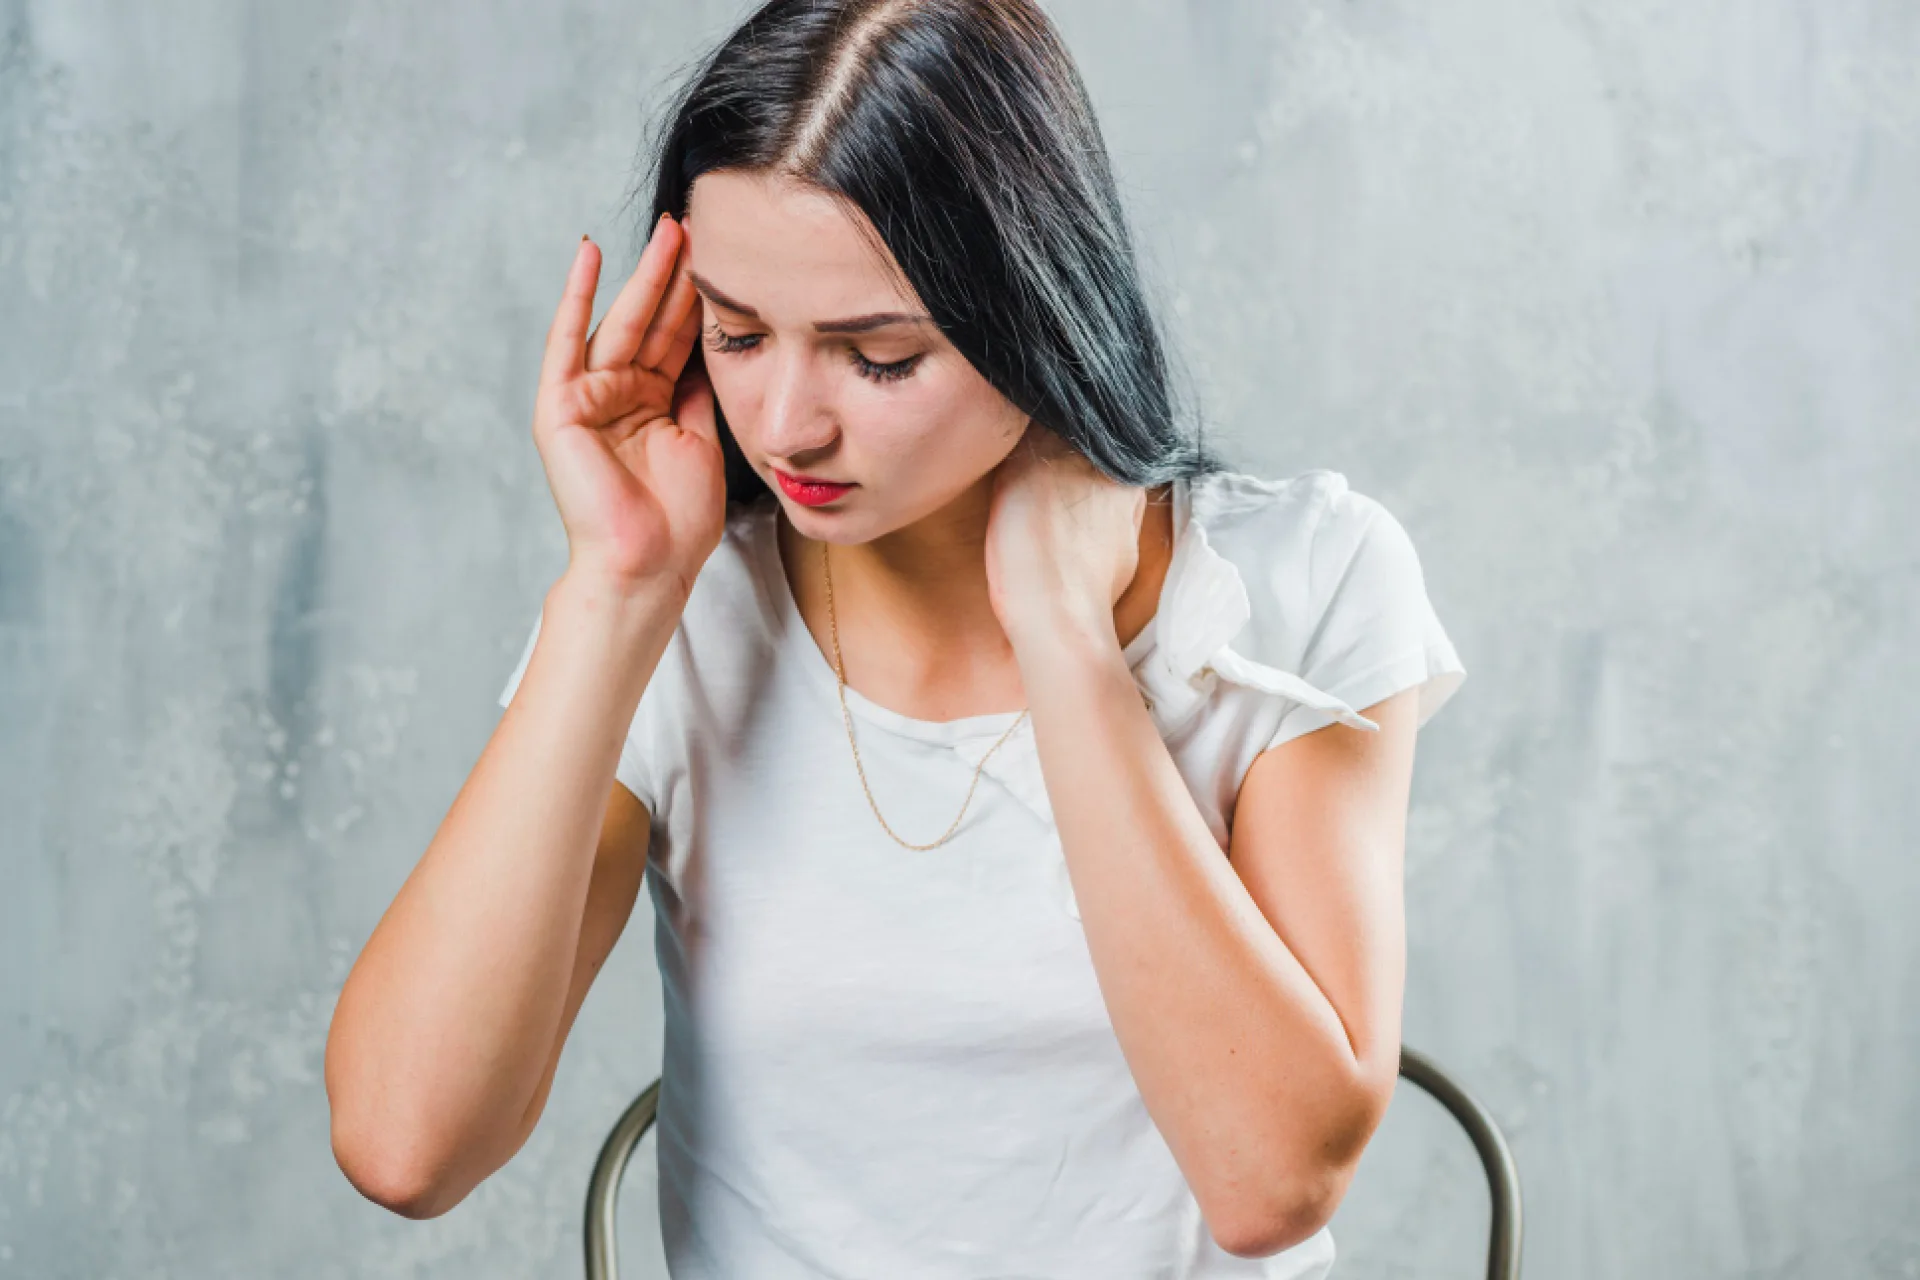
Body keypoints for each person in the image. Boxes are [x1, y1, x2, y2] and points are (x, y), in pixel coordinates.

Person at [324, 1, 1468, 1276]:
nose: (786, 425)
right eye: (738, 333)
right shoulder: (689, 618)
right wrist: (617, 585)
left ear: (1036, 304)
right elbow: (403, 1144)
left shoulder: (1300, 578)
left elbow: (1273, 1182)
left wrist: (1065, 639)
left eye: (876, 358)